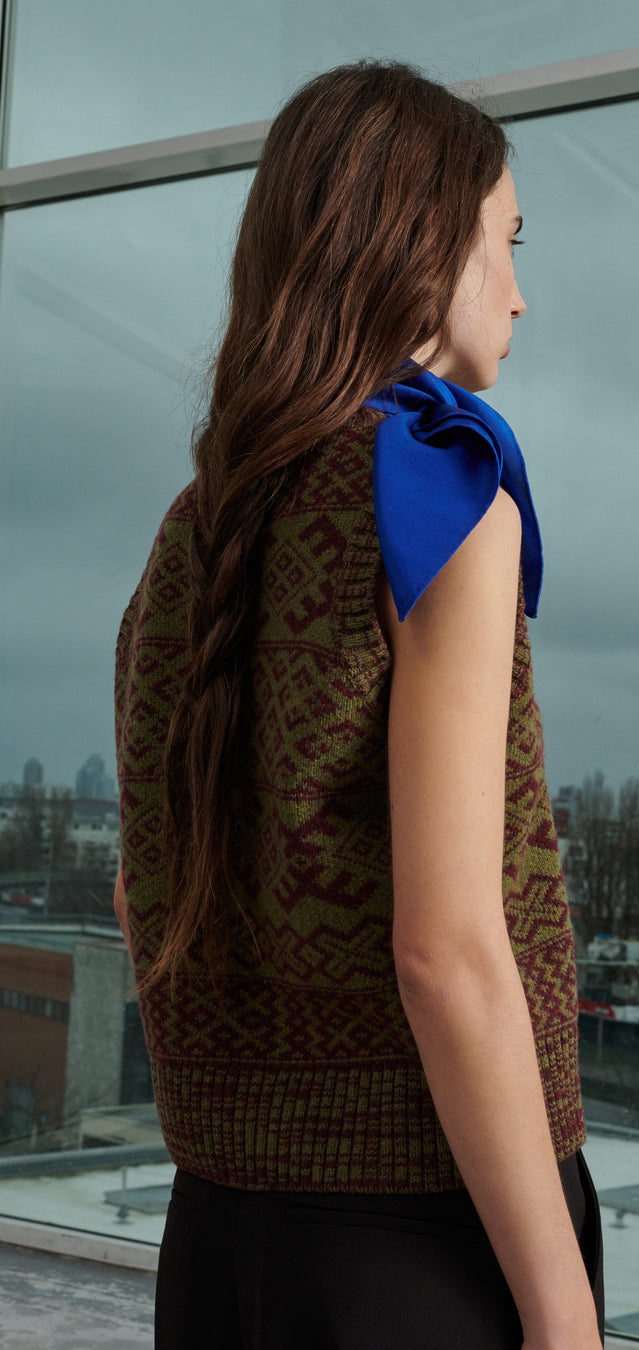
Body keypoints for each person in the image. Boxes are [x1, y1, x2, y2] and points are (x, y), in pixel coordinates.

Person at [113, 59, 604, 1350]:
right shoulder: (438, 492)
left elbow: (137, 887)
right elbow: (445, 950)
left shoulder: (196, 525)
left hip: (216, 1238)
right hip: (428, 1237)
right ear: (423, 248)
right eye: (507, 242)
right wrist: (563, 1314)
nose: (520, 291)